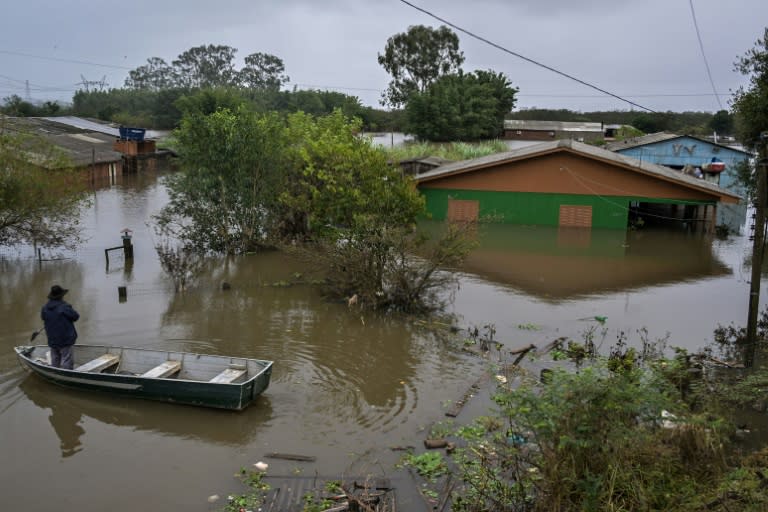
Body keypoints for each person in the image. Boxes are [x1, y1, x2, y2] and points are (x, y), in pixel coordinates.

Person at [41, 285, 80, 369]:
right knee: (67, 360)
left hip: (52, 340)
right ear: (61, 296)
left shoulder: (44, 308)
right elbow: (76, 316)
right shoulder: (64, 307)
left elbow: (43, 318)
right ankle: (68, 377)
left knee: (55, 360)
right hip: (65, 340)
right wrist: (69, 308)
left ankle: (56, 374)